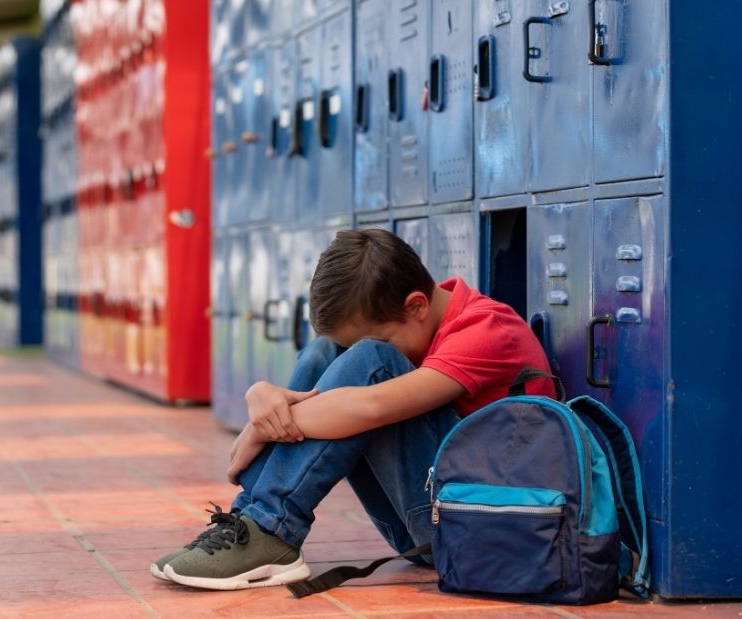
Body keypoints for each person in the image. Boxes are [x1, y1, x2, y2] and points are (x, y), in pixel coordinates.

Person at [151, 228, 556, 590]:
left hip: (483, 530)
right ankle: (251, 524)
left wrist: (262, 426)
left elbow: (371, 407)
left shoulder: (488, 330)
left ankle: (270, 529)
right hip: (422, 526)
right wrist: (261, 395)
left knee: (372, 361)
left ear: (416, 307)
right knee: (325, 351)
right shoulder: (423, 321)